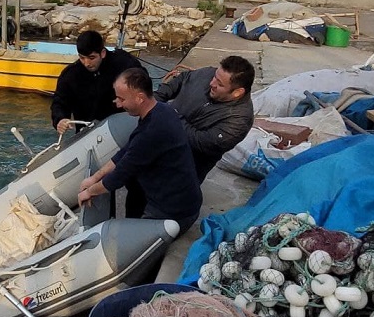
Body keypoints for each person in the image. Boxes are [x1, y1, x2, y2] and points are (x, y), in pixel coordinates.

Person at [77, 68, 202, 231]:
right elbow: (127, 151)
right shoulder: (163, 110)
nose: (118, 104)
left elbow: (120, 175)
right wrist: (95, 177)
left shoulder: (152, 132)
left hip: (174, 211)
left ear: (140, 98)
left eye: (121, 99)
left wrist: (89, 192)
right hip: (178, 196)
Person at [154, 55, 256, 183]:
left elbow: (199, 142)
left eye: (219, 84)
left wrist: (169, 114)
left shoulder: (238, 121)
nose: (212, 83)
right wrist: (158, 97)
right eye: (215, 77)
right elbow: (185, 78)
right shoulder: (208, 75)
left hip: (182, 171)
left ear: (237, 92)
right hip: (155, 147)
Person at [51, 30, 143, 134]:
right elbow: (59, 102)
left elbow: (143, 84)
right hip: (88, 134)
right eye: (82, 58)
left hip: (124, 128)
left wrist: (126, 98)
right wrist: (60, 119)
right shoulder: (70, 75)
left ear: (102, 53)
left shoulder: (124, 63)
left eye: (91, 58)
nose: (87, 63)